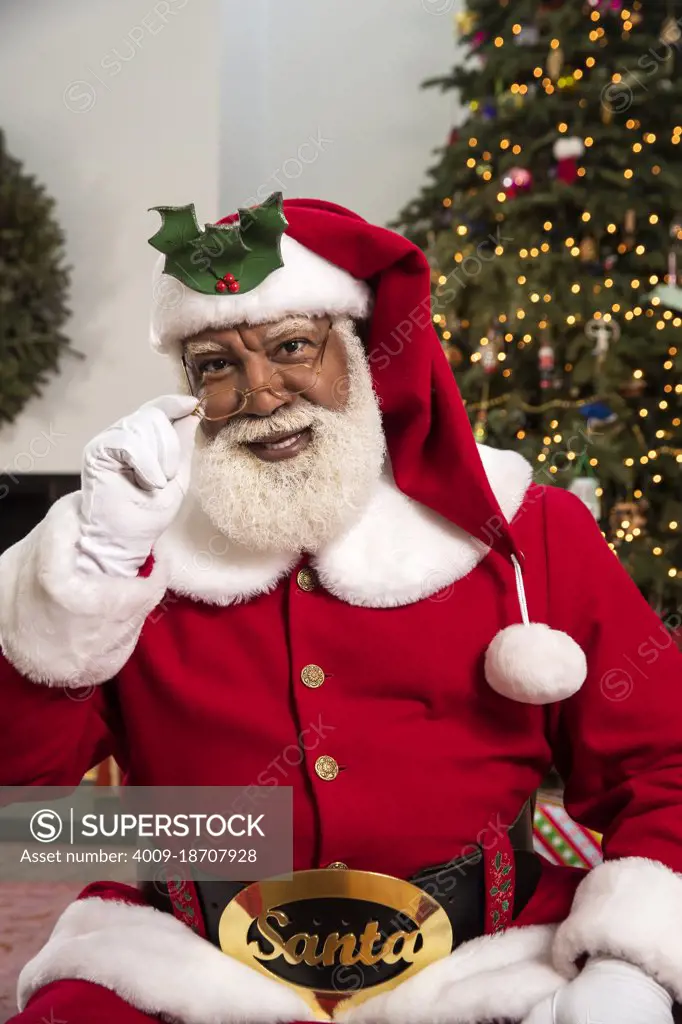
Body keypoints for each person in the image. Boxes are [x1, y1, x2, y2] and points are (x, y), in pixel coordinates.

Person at [1, 193, 681, 1024]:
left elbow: (664, 766)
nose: (259, 392)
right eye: (216, 364)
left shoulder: (528, 531)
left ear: (361, 354)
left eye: (292, 348)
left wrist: (628, 967)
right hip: (187, 962)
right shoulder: (130, 550)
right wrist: (92, 570)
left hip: (486, 959)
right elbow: (22, 808)